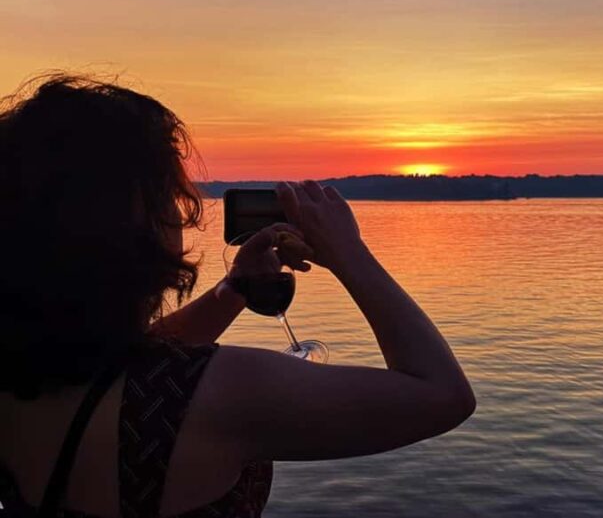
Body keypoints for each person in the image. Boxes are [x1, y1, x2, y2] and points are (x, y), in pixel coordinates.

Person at [0, 74, 475, 517]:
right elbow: (442, 396)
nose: (182, 213)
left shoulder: (24, 369)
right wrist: (350, 254)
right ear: (130, 220)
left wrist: (235, 290)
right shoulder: (226, 392)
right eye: (170, 194)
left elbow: (135, 370)